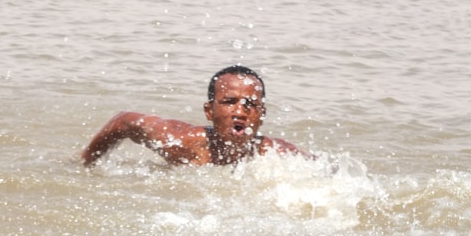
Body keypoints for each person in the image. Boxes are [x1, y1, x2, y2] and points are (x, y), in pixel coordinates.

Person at [81, 65, 313, 167]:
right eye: (229, 102)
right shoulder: (179, 142)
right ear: (209, 111)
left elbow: (325, 169)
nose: (240, 111)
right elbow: (124, 120)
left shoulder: (275, 156)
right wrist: (87, 161)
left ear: (261, 115)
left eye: (250, 105)